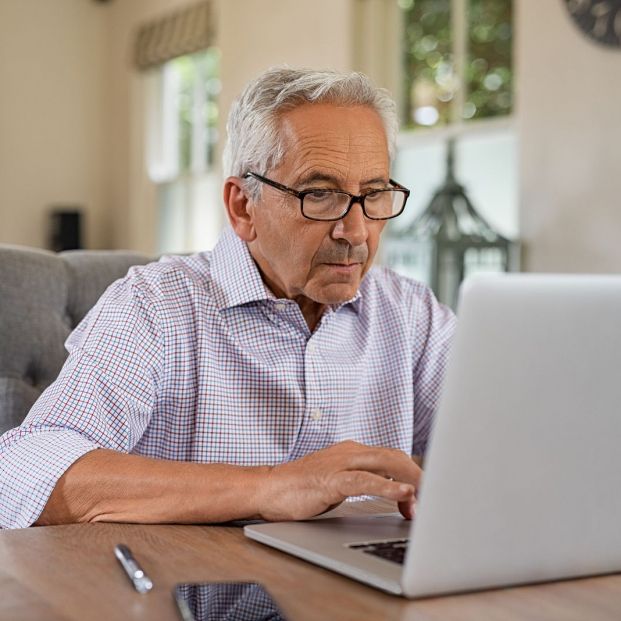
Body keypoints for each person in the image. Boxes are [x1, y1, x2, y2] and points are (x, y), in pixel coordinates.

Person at [0, 67, 455, 530]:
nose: (355, 232)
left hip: (363, 599)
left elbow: (508, 445)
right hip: (189, 600)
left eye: (374, 194)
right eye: (319, 194)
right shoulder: (154, 305)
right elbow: (24, 471)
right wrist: (271, 487)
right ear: (243, 206)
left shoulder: (411, 314)